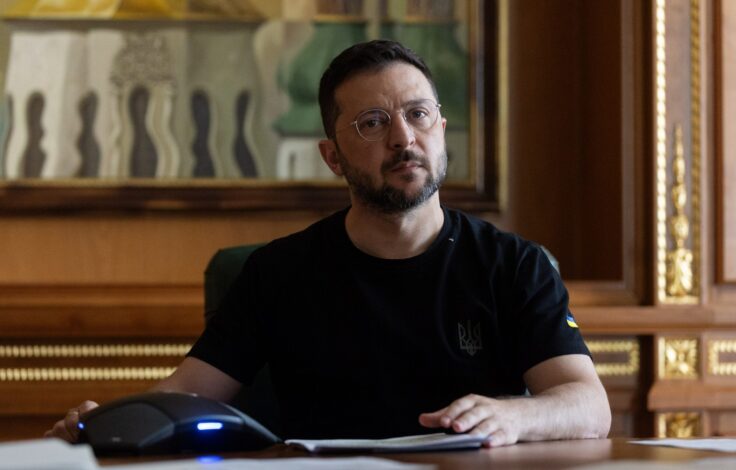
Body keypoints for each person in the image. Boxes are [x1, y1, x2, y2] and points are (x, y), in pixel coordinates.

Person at [46, 40, 610, 447]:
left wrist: (513, 417)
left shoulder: (513, 265)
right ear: (332, 157)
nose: (403, 138)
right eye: (372, 123)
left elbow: (588, 404)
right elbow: (188, 394)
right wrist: (108, 422)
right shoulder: (277, 272)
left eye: (418, 115)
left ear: (440, 131)